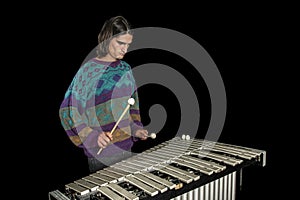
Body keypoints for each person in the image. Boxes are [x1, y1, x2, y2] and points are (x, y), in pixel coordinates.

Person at [59, 16, 149, 173]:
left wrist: (135, 129)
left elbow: (130, 108)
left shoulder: (125, 70)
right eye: (121, 43)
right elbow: (67, 112)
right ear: (107, 39)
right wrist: (93, 136)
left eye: (128, 45)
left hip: (127, 151)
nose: (125, 49)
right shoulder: (87, 72)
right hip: (101, 157)